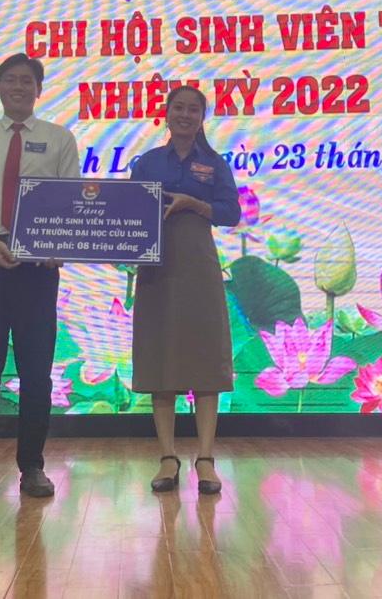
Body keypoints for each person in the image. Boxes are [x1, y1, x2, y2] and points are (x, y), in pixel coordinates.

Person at [0, 53, 80, 499]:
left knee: (37, 370)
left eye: (28, 81)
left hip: (38, 267)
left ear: (39, 90)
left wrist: (56, 245)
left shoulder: (59, 138)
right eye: (11, 80)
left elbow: (70, 198)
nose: (19, 87)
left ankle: (33, 466)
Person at [129, 84, 241, 495]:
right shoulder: (147, 162)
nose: (185, 115)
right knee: (161, 361)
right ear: (167, 112)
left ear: (201, 118)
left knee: (206, 359)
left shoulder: (214, 163)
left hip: (199, 266)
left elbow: (231, 213)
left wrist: (194, 204)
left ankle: (206, 459)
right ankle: (167, 457)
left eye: (194, 109)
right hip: (156, 269)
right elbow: (127, 211)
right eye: (179, 107)